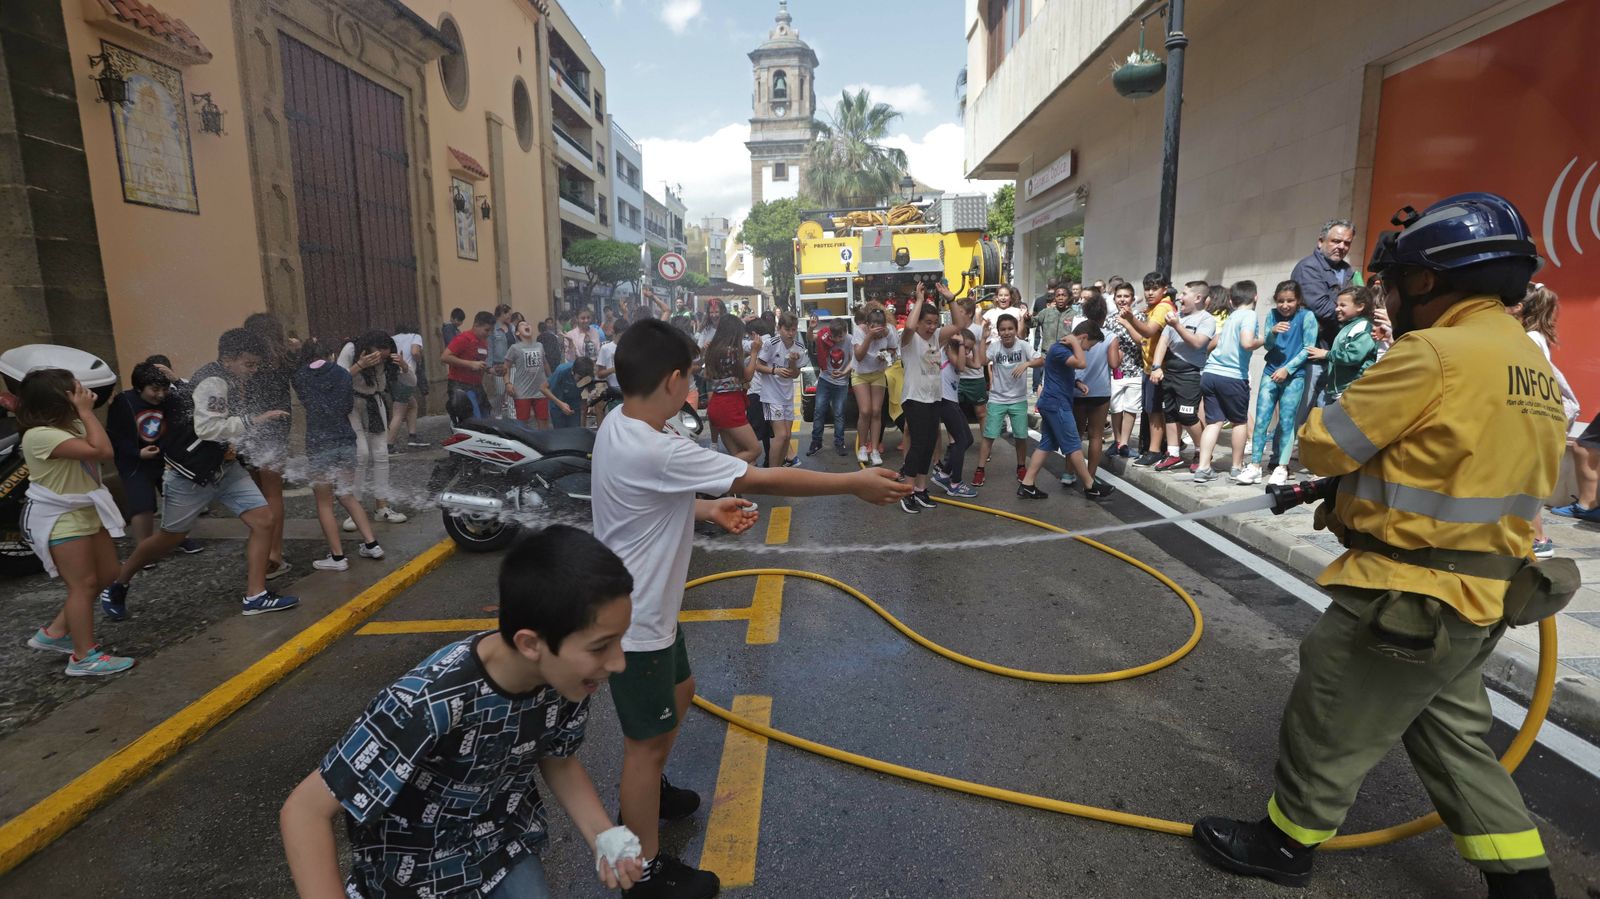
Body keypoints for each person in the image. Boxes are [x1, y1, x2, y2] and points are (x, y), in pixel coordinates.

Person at [1193, 192, 1566, 899]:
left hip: (1411, 595)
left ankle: (1286, 843)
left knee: (1329, 706)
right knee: (1451, 736)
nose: (1389, 297)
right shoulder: (1530, 364)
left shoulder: (1433, 352)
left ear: (1425, 280)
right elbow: (1455, 462)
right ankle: (1524, 881)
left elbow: (1326, 441)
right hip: (1482, 594)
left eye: (1393, 284)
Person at [591, 320, 909, 898]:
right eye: (688, 379)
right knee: (643, 743)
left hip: (650, 612)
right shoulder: (656, 446)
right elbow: (761, 476)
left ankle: (649, 793)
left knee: (681, 693)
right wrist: (852, 483)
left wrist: (706, 513)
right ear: (671, 381)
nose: (692, 390)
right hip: (633, 625)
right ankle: (646, 869)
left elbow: (639, 506)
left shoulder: (619, 425)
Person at [280, 525, 646, 898]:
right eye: (601, 646)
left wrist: (604, 835)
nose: (618, 663)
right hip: (414, 880)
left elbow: (559, 760)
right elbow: (304, 812)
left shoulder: (568, 677)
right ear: (531, 643)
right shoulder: (425, 701)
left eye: (619, 640)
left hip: (502, 850)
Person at [98, 329, 300, 619]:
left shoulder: (224, 377)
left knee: (264, 520)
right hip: (190, 474)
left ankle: (255, 596)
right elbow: (208, 428)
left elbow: (191, 397)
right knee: (168, 538)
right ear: (228, 359)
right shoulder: (214, 381)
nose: (254, 371)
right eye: (249, 364)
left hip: (223, 467)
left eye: (256, 364)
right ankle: (118, 582)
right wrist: (253, 420)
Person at [18, 369, 134, 676]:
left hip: (85, 509)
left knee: (109, 573)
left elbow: (101, 446)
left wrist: (84, 414)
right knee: (83, 585)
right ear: (60, 399)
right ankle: (83, 657)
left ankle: (55, 633)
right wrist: (86, 412)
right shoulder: (40, 435)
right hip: (60, 517)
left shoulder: (73, 425)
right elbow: (103, 451)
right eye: (76, 390)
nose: (84, 392)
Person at [292, 338, 383, 571]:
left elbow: (307, 400)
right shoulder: (343, 375)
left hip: (319, 445)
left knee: (324, 503)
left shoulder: (300, 376)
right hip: (345, 441)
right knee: (347, 495)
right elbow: (345, 406)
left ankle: (337, 558)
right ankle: (372, 545)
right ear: (331, 355)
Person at [1509, 284, 1584, 555]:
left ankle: (1538, 539)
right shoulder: (1537, 337)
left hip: (1529, 418)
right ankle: (1536, 538)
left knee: (1521, 482)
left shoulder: (1528, 339)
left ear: (1519, 307)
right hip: (1535, 419)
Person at [105, 361, 203, 558]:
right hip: (135, 462)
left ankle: (176, 538)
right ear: (139, 387)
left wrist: (176, 381)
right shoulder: (123, 402)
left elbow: (196, 399)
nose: (160, 395)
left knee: (176, 499)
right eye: (154, 389)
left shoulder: (169, 399)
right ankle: (144, 551)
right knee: (143, 504)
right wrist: (136, 452)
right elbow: (115, 435)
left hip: (166, 459)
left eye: (165, 389)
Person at [1016, 329, 1115, 500]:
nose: (1088, 350)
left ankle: (1027, 484)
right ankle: (1090, 486)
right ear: (1083, 337)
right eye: (1089, 345)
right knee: (1073, 444)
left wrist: (1076, 383)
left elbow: (1058, 373)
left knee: (1047, 443)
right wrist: (1076, 343)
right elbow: (1082, 363)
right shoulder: (1062, 349)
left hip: (1053, 402)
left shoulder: (1062, 350)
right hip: (1057, 404)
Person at [1235, 281, 1317, 486]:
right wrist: (1272, 332)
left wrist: (1287, 369)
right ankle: (1254, 465)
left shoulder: (1307, 317)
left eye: (1290, 300)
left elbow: (1308, 348)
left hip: (1294, 376)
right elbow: (1268, 345)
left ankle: (1281, 466)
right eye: (1281, 301)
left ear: (1298, 300)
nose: (1285, 305)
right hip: (1270, 371)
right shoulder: (1272, 315)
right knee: (1262, 418)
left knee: (1288, 420)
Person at [899, 285, 971, 513]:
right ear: (919, 322)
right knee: (918, 445)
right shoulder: (909, 340)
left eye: (934, 323)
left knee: (929, 445)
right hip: (914, 398)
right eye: (927, 323)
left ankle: (921, 489)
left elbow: (960, 325)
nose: (931, 327)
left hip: (933, 398)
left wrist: (951, 300)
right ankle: (907, 492)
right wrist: (919, 299)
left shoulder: (936, 339)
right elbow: (909, 325)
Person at [241, 312, 297, 581]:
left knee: (256, 491)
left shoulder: (248, 359)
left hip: (250, 425)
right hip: (278, 424)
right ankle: (275, 552)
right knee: (274, 492)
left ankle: (260, 544)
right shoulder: (284, 357)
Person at [339, 331, 411, 529]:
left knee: (381, 454)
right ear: (367, 348)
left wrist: (404, 367)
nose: (380, 358)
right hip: (352, 404)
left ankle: (382, 507)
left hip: (375, 403)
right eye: (377, 353)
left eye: (385, 354)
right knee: (361, 454)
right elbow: (337, 379)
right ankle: (355, 510)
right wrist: (360, 365)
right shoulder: (351, 349)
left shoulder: (388, 360)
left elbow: (410, 382)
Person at [1289, 218, 1359, 419]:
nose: (1341, 247)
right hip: (1310, 353)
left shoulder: (1347, 271)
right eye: (1336, 241)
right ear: (1321, 241)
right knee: (1301, 409)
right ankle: (1287, 450)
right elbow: (1321, 307)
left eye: (1346, 243)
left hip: (1332, 351)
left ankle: (1309, 448)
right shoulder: (1308, 267)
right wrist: (1355, 324)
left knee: (1322, 409)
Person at [1194, 281, 1263, 482]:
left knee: (1213, 422)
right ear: (1255, 297)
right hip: (1233, 376)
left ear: (1231, 301)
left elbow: (1213, 342)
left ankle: (1203, 467)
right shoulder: (1249, 315)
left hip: (1211, 374)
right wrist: (1265, 339)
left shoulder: (1232, 316)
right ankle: (1236, 466)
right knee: (1239, 422)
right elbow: (1247, 342)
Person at [1149, 281, 1218, 472]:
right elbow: (1163, 342)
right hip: (1170, 373)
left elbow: (1198, 343)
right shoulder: (1176, 317)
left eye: (1184, 294)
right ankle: (1173, 454)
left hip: (1190, 374)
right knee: (1170, 414)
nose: (1179, 297)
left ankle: (1201, 451)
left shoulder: (1206, 320)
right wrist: (1156, 366)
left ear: (1197, 298)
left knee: (1187, 415)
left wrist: (1178, 326)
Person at [1121, 273, 1178, 464]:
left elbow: (1148, 331)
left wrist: (1130, 318)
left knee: (1155, 411)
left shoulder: (1163, 307)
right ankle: (1158, 447)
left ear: (1164, 289)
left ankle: (1155, 450)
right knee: (1152, 410)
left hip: (1160, 368)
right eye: (1147, 288)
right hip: (1150, 368)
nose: (1150, 292)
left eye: (1155, 288)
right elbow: (1143, 340)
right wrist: (1128, 323)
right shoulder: (1153, 308)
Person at [974, 314, 1036, 487]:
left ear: (1016, 330)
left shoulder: (1023, 346)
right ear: (998, 332)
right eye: (1003, 329)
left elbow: (1041, 360)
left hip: (1018, 399)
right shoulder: (995, 347)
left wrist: (1027, 364)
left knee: (1021, 436)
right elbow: (981, 361)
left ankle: (1021, 467)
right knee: (988, 436)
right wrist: (983, 339)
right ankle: (980, 469)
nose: (1007, 332)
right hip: (997, 399)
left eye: (1010, 329)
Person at [1067, 296, 1120, 485]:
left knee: (1075, 433)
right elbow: (1114, 364)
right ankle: (1090, 475)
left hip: (1077, 389)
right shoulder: (1110, 337)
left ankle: (1069, 472)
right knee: (1096, 435)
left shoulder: (1077, 334)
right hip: (1100, 391)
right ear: (1104, 314)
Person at [700, 316, 761, 465]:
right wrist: (754, 352)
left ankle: (735, 486)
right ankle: (716, 471)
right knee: (754, 450)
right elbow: (747, 376)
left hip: (717, 404)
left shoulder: (713, 350)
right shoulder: (732, 352)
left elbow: (707, 375)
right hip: (730, 406)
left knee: (742, 456)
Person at [1307, 286, 1379, 405]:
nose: (1337, 309)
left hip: (1353, 390)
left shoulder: (1363, 327)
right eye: (1336, 305)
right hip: (1341, 390)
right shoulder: (1348, 327)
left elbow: (1353, 356)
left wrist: (1326, 354)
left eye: (1342, 305)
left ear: (1360, 306)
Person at [929, 328, 978, 498]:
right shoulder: (948, 349)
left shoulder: (960, 353)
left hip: (952, 401)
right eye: (966, 347)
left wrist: (976, 343)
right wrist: (963, 344)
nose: (969, 351)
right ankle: (955, 483)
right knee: (960, 440)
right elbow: (962, 367)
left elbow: (978, 364)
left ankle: (943, 474)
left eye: (970, 349)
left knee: (967, 440)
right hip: (944, 400)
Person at [753, 312, 804, 468]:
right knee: (780, 435)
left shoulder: (799, 347)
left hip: (787, 395)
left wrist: (793, 363)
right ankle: (773, 471)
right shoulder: (771, 343)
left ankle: (780, 468)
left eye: (793, 330)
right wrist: (775, 370)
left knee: (787, 435)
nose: (790, 333)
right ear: (779, 328)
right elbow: (758, 365)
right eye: (787, 329)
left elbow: (795, 374)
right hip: (770, 395)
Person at [851, 303, 895, 465]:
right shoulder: (860, 331)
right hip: (860, 374)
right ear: (868, 326)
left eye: (880, 332)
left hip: (877, 373)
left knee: (876, 411)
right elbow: (859, 356)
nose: (879, 336)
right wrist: (869, 337)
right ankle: (862, 446)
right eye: (875, 331)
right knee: (865, 410)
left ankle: (875, 449)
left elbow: (893, 349)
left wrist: (887, 354)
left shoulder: (889, 331)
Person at [508, 320, 571, 427]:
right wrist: (507, 383)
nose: (527, 325)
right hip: (522, 392)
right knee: (522, 423)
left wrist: (551, 379)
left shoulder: (539, 345)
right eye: (523, 324)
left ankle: (541, 442)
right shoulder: (514, 348)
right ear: (517, 333)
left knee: (543, 420)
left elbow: (545, 363)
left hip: (541, 391)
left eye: (527, 323)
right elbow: (506, 367)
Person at [1106, 284, 1145, 458]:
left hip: (1135, 370)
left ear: (1133, 298)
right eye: (1119, 296)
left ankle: (1125, 443)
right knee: (1116, 408)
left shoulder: (1139, 317)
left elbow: (1142, 342)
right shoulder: (1109, 319)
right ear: (1114, 299)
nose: (1122, 299)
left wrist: (1128, 324)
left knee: (1130, 408)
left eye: (1126, 296)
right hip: (1115, 372)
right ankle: (1117, 440)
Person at [807, 317, 852, 457]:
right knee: (819, 411)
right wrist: (811, 328)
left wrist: (844, 372)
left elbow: (854, 360)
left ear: (846, 331)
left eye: (840, 336)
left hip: (841, 383)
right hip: (825, 379)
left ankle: (839, 442)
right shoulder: (825, 336)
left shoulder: (850, 340)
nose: (837, 340)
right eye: (834, 337)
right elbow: (811, 338)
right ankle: (816, 442)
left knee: (838, 413)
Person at [442, 311, 493, 424]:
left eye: (491, 330)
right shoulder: (463, 338)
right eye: (486, 330)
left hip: (477, 386)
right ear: (476, 325)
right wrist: (470, 364)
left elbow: (479, 364)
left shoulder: (484, 342)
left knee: (487, 419)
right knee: (475, 420)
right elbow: (445, 357)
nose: (489, 333)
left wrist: (491, 370)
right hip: (460, 385)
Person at [389, 322, 429, 449]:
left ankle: (412, 436)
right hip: (407, 375)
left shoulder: (392, 339)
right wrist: (419, 360)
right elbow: (415, 352)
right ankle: (388, 445)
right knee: (399, 412)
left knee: (412, 405)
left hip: (393, 377)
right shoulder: (415, 336)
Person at [547, 357, 594, 430]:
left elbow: (586, 398)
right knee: (561, 433)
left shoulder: (590, 375)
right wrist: (560, 404)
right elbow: (543, 388)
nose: (581, 382)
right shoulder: (562, 371)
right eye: (579, 378)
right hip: (557, 403)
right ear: (572, 372)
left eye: (585, 380)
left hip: (575, 405)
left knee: (575, 432)